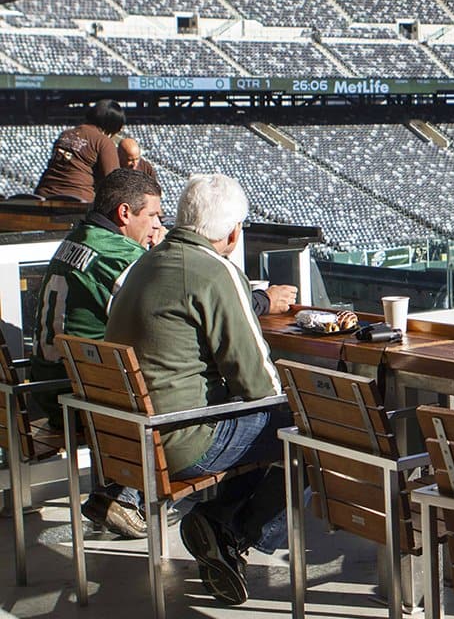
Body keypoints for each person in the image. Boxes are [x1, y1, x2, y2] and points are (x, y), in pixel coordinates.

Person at [105, 173, 291, 605]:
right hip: (178, 440)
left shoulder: (142, 262)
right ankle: (231, 530)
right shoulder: (215, 272)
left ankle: (220, 521)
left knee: (261, 421)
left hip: (127, 438)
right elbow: (260, 385)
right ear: (232, 231)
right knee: (307, 428)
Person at [30, 168, 163, 537]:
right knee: (173, 380)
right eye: (152, 215)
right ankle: (121, 495)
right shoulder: (117, 253)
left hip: (45, 388)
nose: (157, 225)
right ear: (124, 214)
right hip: (79, 401)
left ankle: (115, 491)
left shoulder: (77, 238)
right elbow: (175, 297)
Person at [34, 99, 125, 201]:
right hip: (77, 200)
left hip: (43, 196)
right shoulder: (103, 142)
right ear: (112, 126)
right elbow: (113, 182)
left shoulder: (65, 134)